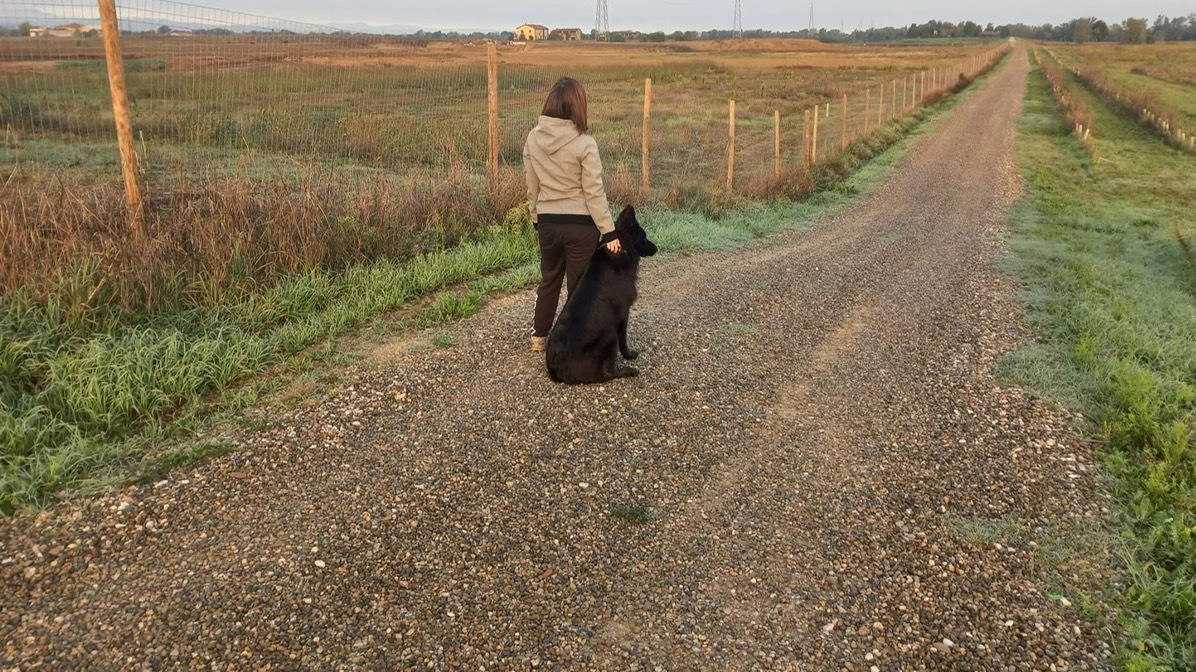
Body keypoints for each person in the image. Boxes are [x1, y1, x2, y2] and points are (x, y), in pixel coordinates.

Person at [523, 77, 622, 353]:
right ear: (579, 106)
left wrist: (535, 216)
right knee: (579, 287)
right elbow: (594, 192)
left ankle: (539, 337)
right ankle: (575, 341)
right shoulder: (585, 143)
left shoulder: (533, 138)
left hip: (548, 222)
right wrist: (609, 230)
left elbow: (532, 184)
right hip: (581, 226)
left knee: (549, 279)